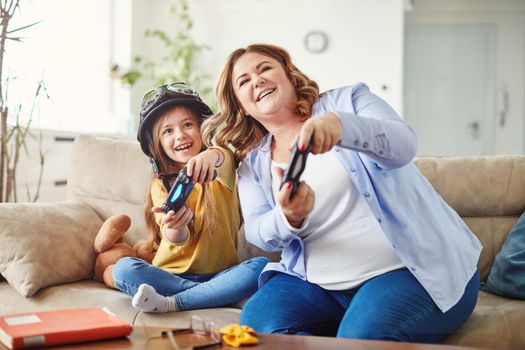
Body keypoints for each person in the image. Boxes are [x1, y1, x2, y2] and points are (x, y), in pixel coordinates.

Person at [202, 44, 482, 342]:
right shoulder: (254, 163)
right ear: (242, 105)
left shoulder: (349, 101)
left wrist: (343, 127)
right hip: (318, 287)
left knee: (358, 339)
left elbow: (403, 145)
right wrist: (289, 217)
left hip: (408, 273)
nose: (256, 80)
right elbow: (257, 231)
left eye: (264, 68)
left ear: (289, 74)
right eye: (243, 81)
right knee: (259, 324)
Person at [113, 82, 269, 313]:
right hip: (169, 274)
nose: (180, 135)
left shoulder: (221, 164)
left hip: (222, 272)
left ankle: (173, 302)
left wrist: (208, 156)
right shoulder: (160, 185)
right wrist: (177, 227)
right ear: (157, 145)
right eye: (168, 131)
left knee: (261, 266)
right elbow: (175, 239)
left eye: (188, 125)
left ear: (203, 129)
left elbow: (219, 156)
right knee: (123, 269)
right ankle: (216, 295)